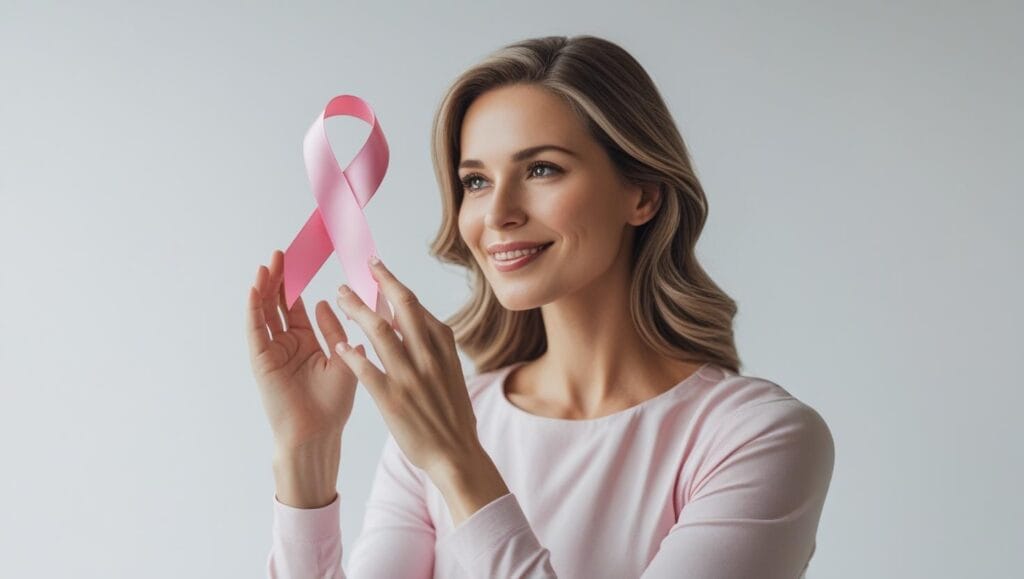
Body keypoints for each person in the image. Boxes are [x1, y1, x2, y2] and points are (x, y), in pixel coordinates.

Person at [247, 34, 835, 579]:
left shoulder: (757, 437)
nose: (497, 212)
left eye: (541, 169)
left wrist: (458, 461)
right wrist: (306, 453)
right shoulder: (443, 419)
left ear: (643, 195)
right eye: (475, 181)